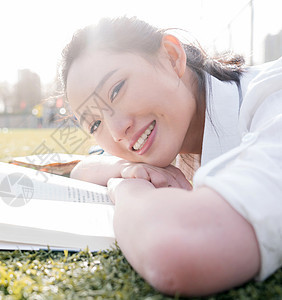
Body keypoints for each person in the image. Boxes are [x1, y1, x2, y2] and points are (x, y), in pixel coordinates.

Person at [60, 16, 282, 296]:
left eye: (116, 90)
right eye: (94, 124)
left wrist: (126, 187)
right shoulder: (173, 131)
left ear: (172, 57)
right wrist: (121, 167)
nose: (116, 131)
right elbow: (86, 167)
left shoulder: (273, 100)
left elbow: (180, 251)